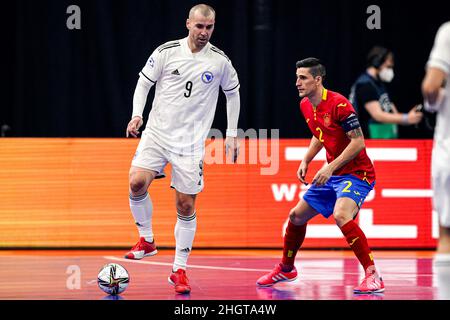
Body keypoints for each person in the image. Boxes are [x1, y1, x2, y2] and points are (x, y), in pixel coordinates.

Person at [125, 3, 240, 294]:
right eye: (199, 26)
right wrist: (137, 114)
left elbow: (233, 94)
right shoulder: (166, 52)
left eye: (210, 27)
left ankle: (179, 269)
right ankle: (147, 239)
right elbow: (143, 84)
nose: (204, 32)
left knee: (186, 205)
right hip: (157, 133)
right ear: (188, 23)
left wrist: (230, 134)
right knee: (136, 182)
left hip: (189, 143)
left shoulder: (219, 61)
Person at [256, 58, 384, 294]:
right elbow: (320, 133)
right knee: (295, 216)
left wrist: (329, 167)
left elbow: (358, 142)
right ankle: (286, 268)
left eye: (303, 78)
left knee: (341, 215)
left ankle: (373, 275)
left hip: (357, 174)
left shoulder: (340, 104)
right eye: (296, 77)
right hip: (334, 174)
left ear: (318, 80)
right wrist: (306, 159)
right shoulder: (306, 104)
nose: (297, 83)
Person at [421, 21, 450, 299]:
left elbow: (431, 86)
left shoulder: (448, 32)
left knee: (447, 236)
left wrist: (433, 102)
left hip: (448, 148)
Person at [349, 46, 423, 138]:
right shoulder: (365, 85)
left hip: (383, 137)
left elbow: (391, 110)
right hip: (370, 139)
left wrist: (409, 116)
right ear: (377, 63)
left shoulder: (379, 84)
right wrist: (406, 118)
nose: (390, 70)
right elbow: (378, 115)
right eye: (388, 67)